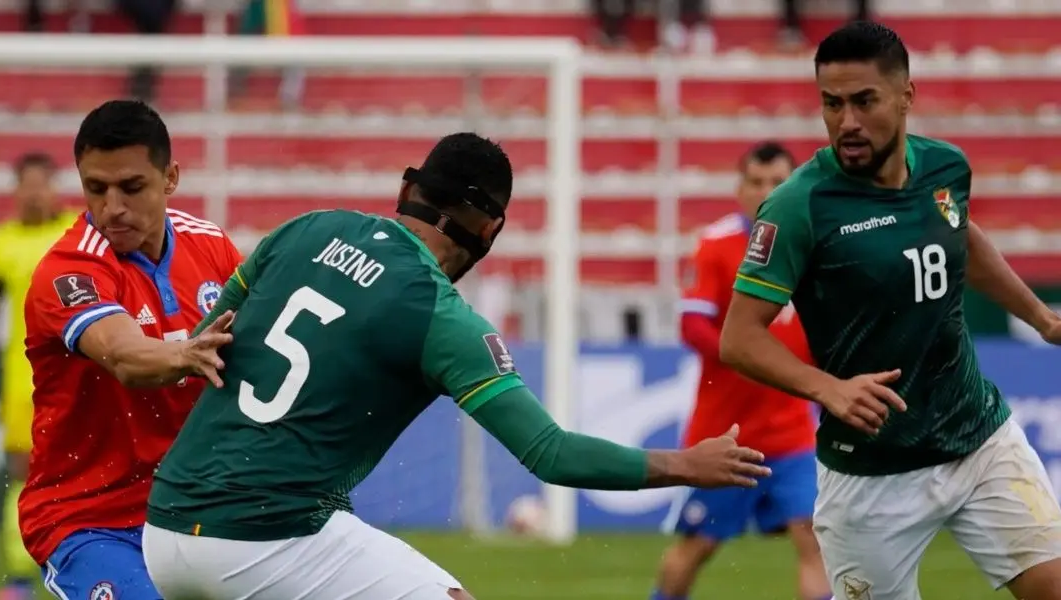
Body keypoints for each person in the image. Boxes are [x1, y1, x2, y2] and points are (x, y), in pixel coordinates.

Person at [140, 132, 772, 600]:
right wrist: (685, 465)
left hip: (164, 531)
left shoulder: (305, 229)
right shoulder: (443, 318)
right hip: (264, 539)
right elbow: (550, 453)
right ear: (490, 228)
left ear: (407, 189)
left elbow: (202, 344)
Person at [721, 21, 1061, 600]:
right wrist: (827, 388)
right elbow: (739, 339)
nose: (846, 122)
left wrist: (1042, 318)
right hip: (871, 473)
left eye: (863, 101)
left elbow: (959, 236)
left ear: (907, 96)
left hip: (978, 438)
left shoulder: (945, 168)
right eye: (832, 104)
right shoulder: (799, 206)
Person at [19, 99, 242, 600]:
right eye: (95, 188)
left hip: (195, 512)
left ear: (170, 179)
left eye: (131, 187)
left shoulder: (211, 247)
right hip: (89, 518)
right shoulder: (68, 270)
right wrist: (189, 353)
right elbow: (125, 356)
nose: (112, 207)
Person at [652, 141, 830, 600]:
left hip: (792, 432)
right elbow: (692, 324)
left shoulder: (814, 245)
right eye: (757, 182)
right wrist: (748, 358)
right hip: (724, 434)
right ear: (740, 188)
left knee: (816, 537)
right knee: (697, 545)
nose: (767, 191)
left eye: (778, 183)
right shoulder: (717, 245)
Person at [0, 152, 75, 600]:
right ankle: (19, 579)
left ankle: (77, 566)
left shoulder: (77, 231)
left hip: (77, 374)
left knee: (82, 471)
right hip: (21, 379)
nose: (34, 193)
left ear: (55, 187)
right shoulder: (0, 242)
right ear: (15, 190)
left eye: (42, 183)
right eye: (26, 184)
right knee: (22, 476)